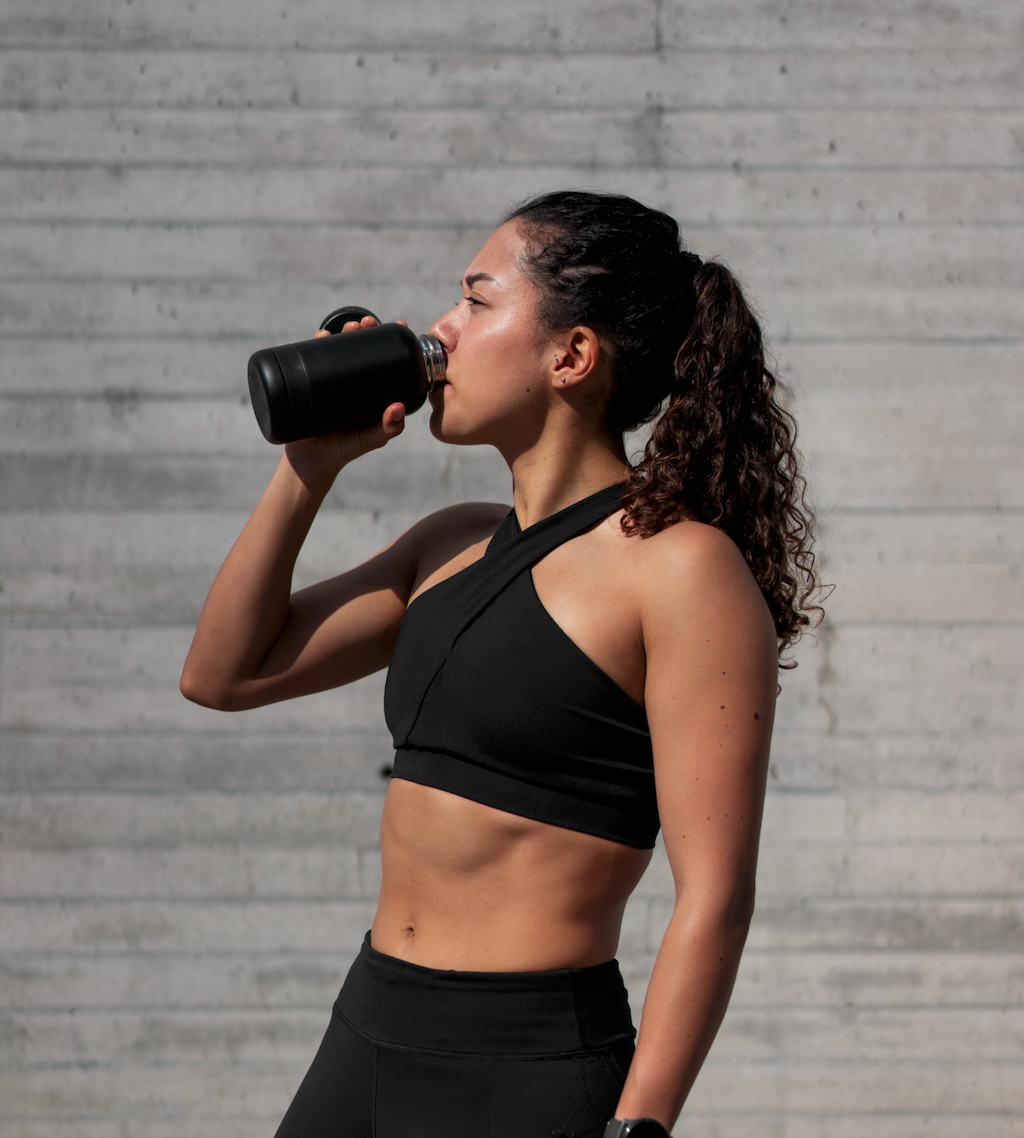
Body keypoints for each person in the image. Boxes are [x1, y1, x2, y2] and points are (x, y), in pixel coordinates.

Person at [180, 190, 819, 1137]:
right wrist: (308, 470)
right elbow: (224, 674)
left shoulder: (681, 570)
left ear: (572, 355)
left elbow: (715, 897)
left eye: (477, 302)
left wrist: (639, 1128)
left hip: (526, 1072)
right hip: (364, 1037)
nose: (440, 329)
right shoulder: (447, 545)